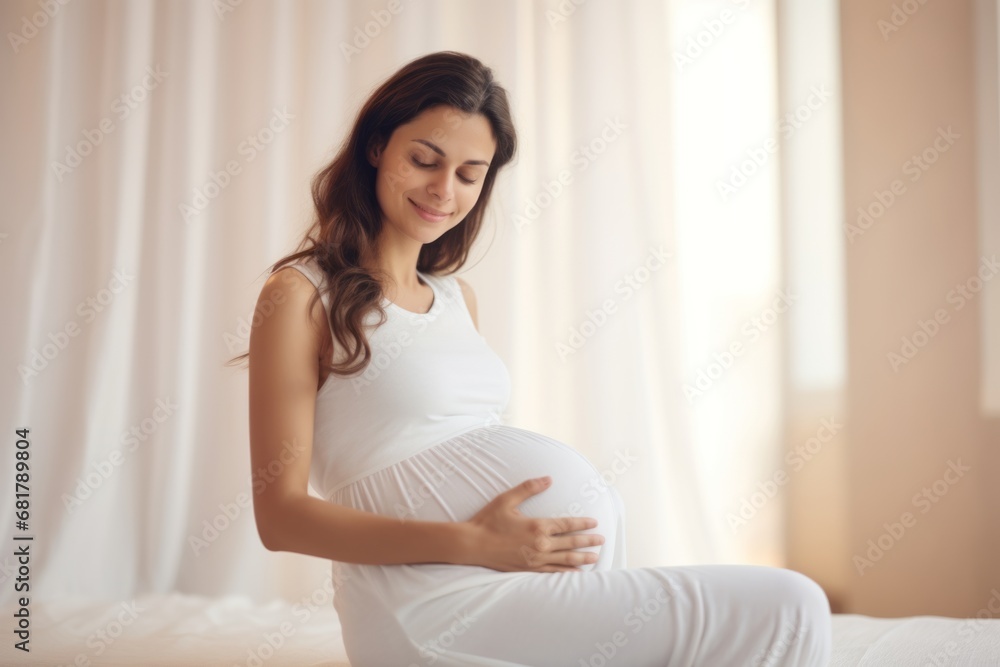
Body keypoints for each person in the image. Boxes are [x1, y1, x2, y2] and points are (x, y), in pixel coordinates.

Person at [231, 50, 832, 666]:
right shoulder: (302, 296)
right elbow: (280, 518)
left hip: (513, 585)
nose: (445, 190)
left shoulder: (454, 297)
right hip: (426, 609)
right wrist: (469, 542)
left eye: (470, 173)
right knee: (792, 603)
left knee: (772, 615)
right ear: (377, 146)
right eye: (425, 160)